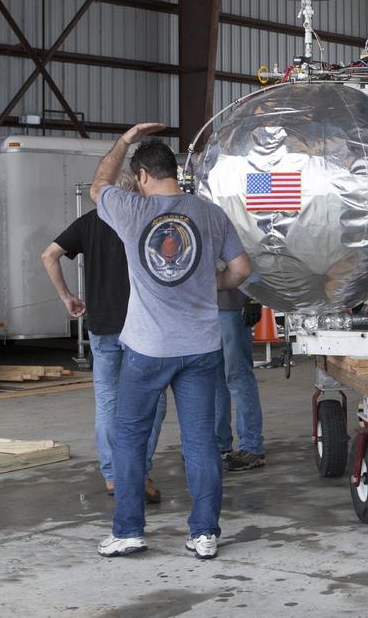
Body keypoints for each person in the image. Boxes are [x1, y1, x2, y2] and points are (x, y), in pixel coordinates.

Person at [91, 123, 251, 561]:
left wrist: (124, 141)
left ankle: (128, 531)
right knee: (200, 441)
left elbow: (99, 184)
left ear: (142, 175)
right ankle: (204, 534)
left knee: (130, 438)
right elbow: (241, 269)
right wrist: (209, 283)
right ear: (175, 173)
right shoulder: (211, 214)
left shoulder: (130, 209)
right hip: (201, 347)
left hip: (147, 350)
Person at [41, 186, 166, 504]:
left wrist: (66, 297)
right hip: (142, 327)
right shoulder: (143, 219)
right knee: (153, 401)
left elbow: (48, 255)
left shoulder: (89, 222)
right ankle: (138, 472)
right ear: (133, 192)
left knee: (108, 402)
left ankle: (113, 476)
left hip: (102, 326)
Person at [214, 289, 267, 471]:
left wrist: (254, 297)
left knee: (238, 375)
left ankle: (252, 447)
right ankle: (219, 443)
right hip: (205, 307)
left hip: (233, 305)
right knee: (214, 377)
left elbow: (256, 269)